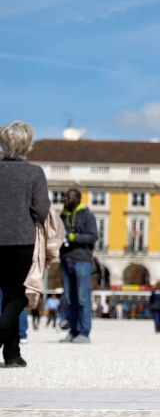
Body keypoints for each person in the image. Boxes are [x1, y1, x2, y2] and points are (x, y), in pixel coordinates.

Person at [0, 121, 51, 367]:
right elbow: (41, 211)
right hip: (21, 241)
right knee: (19, 295)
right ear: (26, 144)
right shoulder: (34, 172)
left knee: (6, 297)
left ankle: (12, 355)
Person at [57, 188, 97, 344]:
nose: (65, 199)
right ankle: (72, 331)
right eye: (65, 196)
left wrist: (72, 236)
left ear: (78, 199)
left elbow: (93, 236)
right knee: (68, 298)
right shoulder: (62, 216)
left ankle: (84, 332)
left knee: (82, 298)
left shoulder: (87, 215)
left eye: (68, 197)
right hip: (65, 259)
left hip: (82, 260)